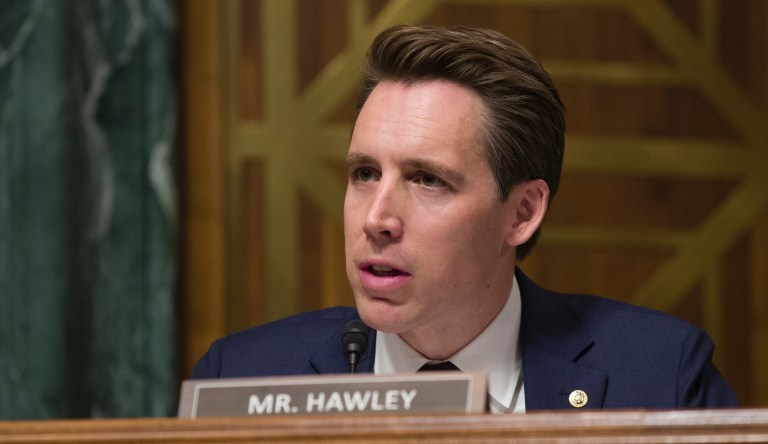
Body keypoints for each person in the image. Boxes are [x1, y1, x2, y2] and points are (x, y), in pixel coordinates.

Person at [192, 25, 738, 411]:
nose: (377, 218)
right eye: (365, 173)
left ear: (522, 212)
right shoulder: (239, 379)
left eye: (427, 180)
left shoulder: (661, 376)